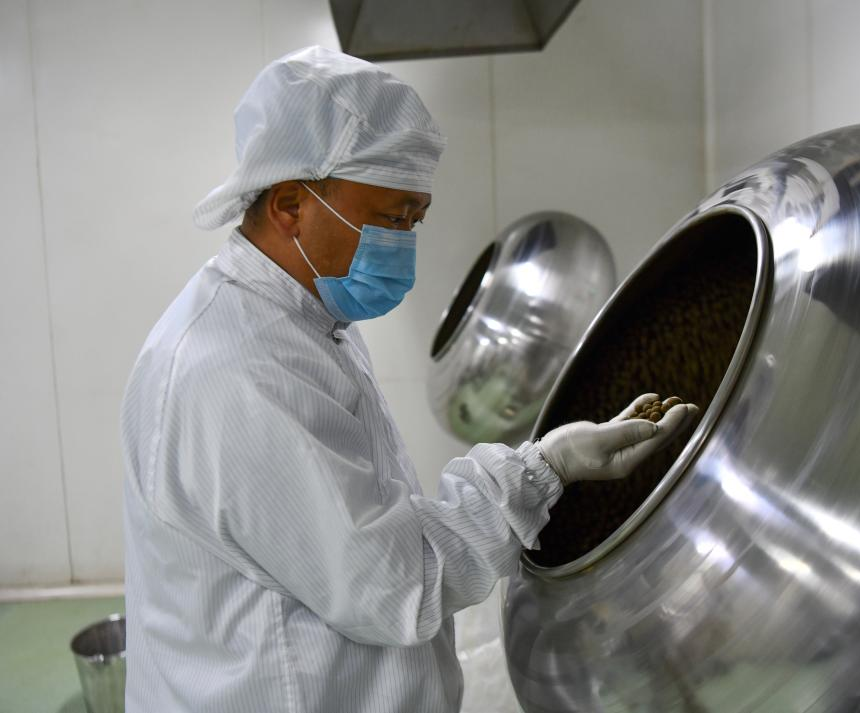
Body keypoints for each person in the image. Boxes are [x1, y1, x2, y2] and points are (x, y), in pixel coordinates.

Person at [120, 45, 698, 713]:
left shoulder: (307, 320)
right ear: (290, 204)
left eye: (415, 220)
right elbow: (395, 580)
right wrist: (545, 469)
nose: (402, 243)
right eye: (390, 219)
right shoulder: (239, 368)